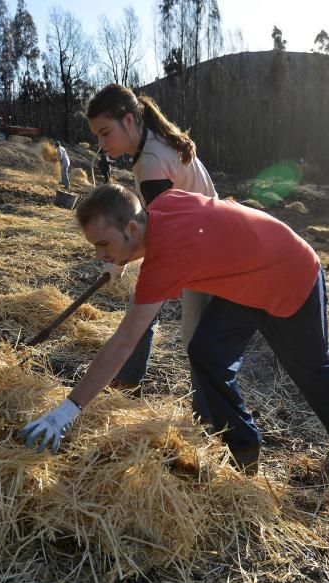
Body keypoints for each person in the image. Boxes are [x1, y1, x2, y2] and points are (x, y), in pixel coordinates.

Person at [20, 185, 329, 478]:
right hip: (245, 281)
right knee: (206, 353)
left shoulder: (167, 259)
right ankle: (244, 446)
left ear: (130, 229)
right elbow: (191, 237)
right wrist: (122, 259)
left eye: (103, 245)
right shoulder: (162, 206)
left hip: (290, 273)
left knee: (310, 367)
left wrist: (68, 410)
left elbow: (125, 342)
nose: (99, 256)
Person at [85, 83, 216, 417]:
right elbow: (158, 222)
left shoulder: (152, 162)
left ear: (129, 121)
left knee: (200, 345)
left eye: (105, 133)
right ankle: (129, 380)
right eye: (98, 137)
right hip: (200, 244)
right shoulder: (157, 144)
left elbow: (164, 234)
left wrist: (121, 259)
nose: (102, 145)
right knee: (176, 328)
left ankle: (210, 421)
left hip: (204, 255)